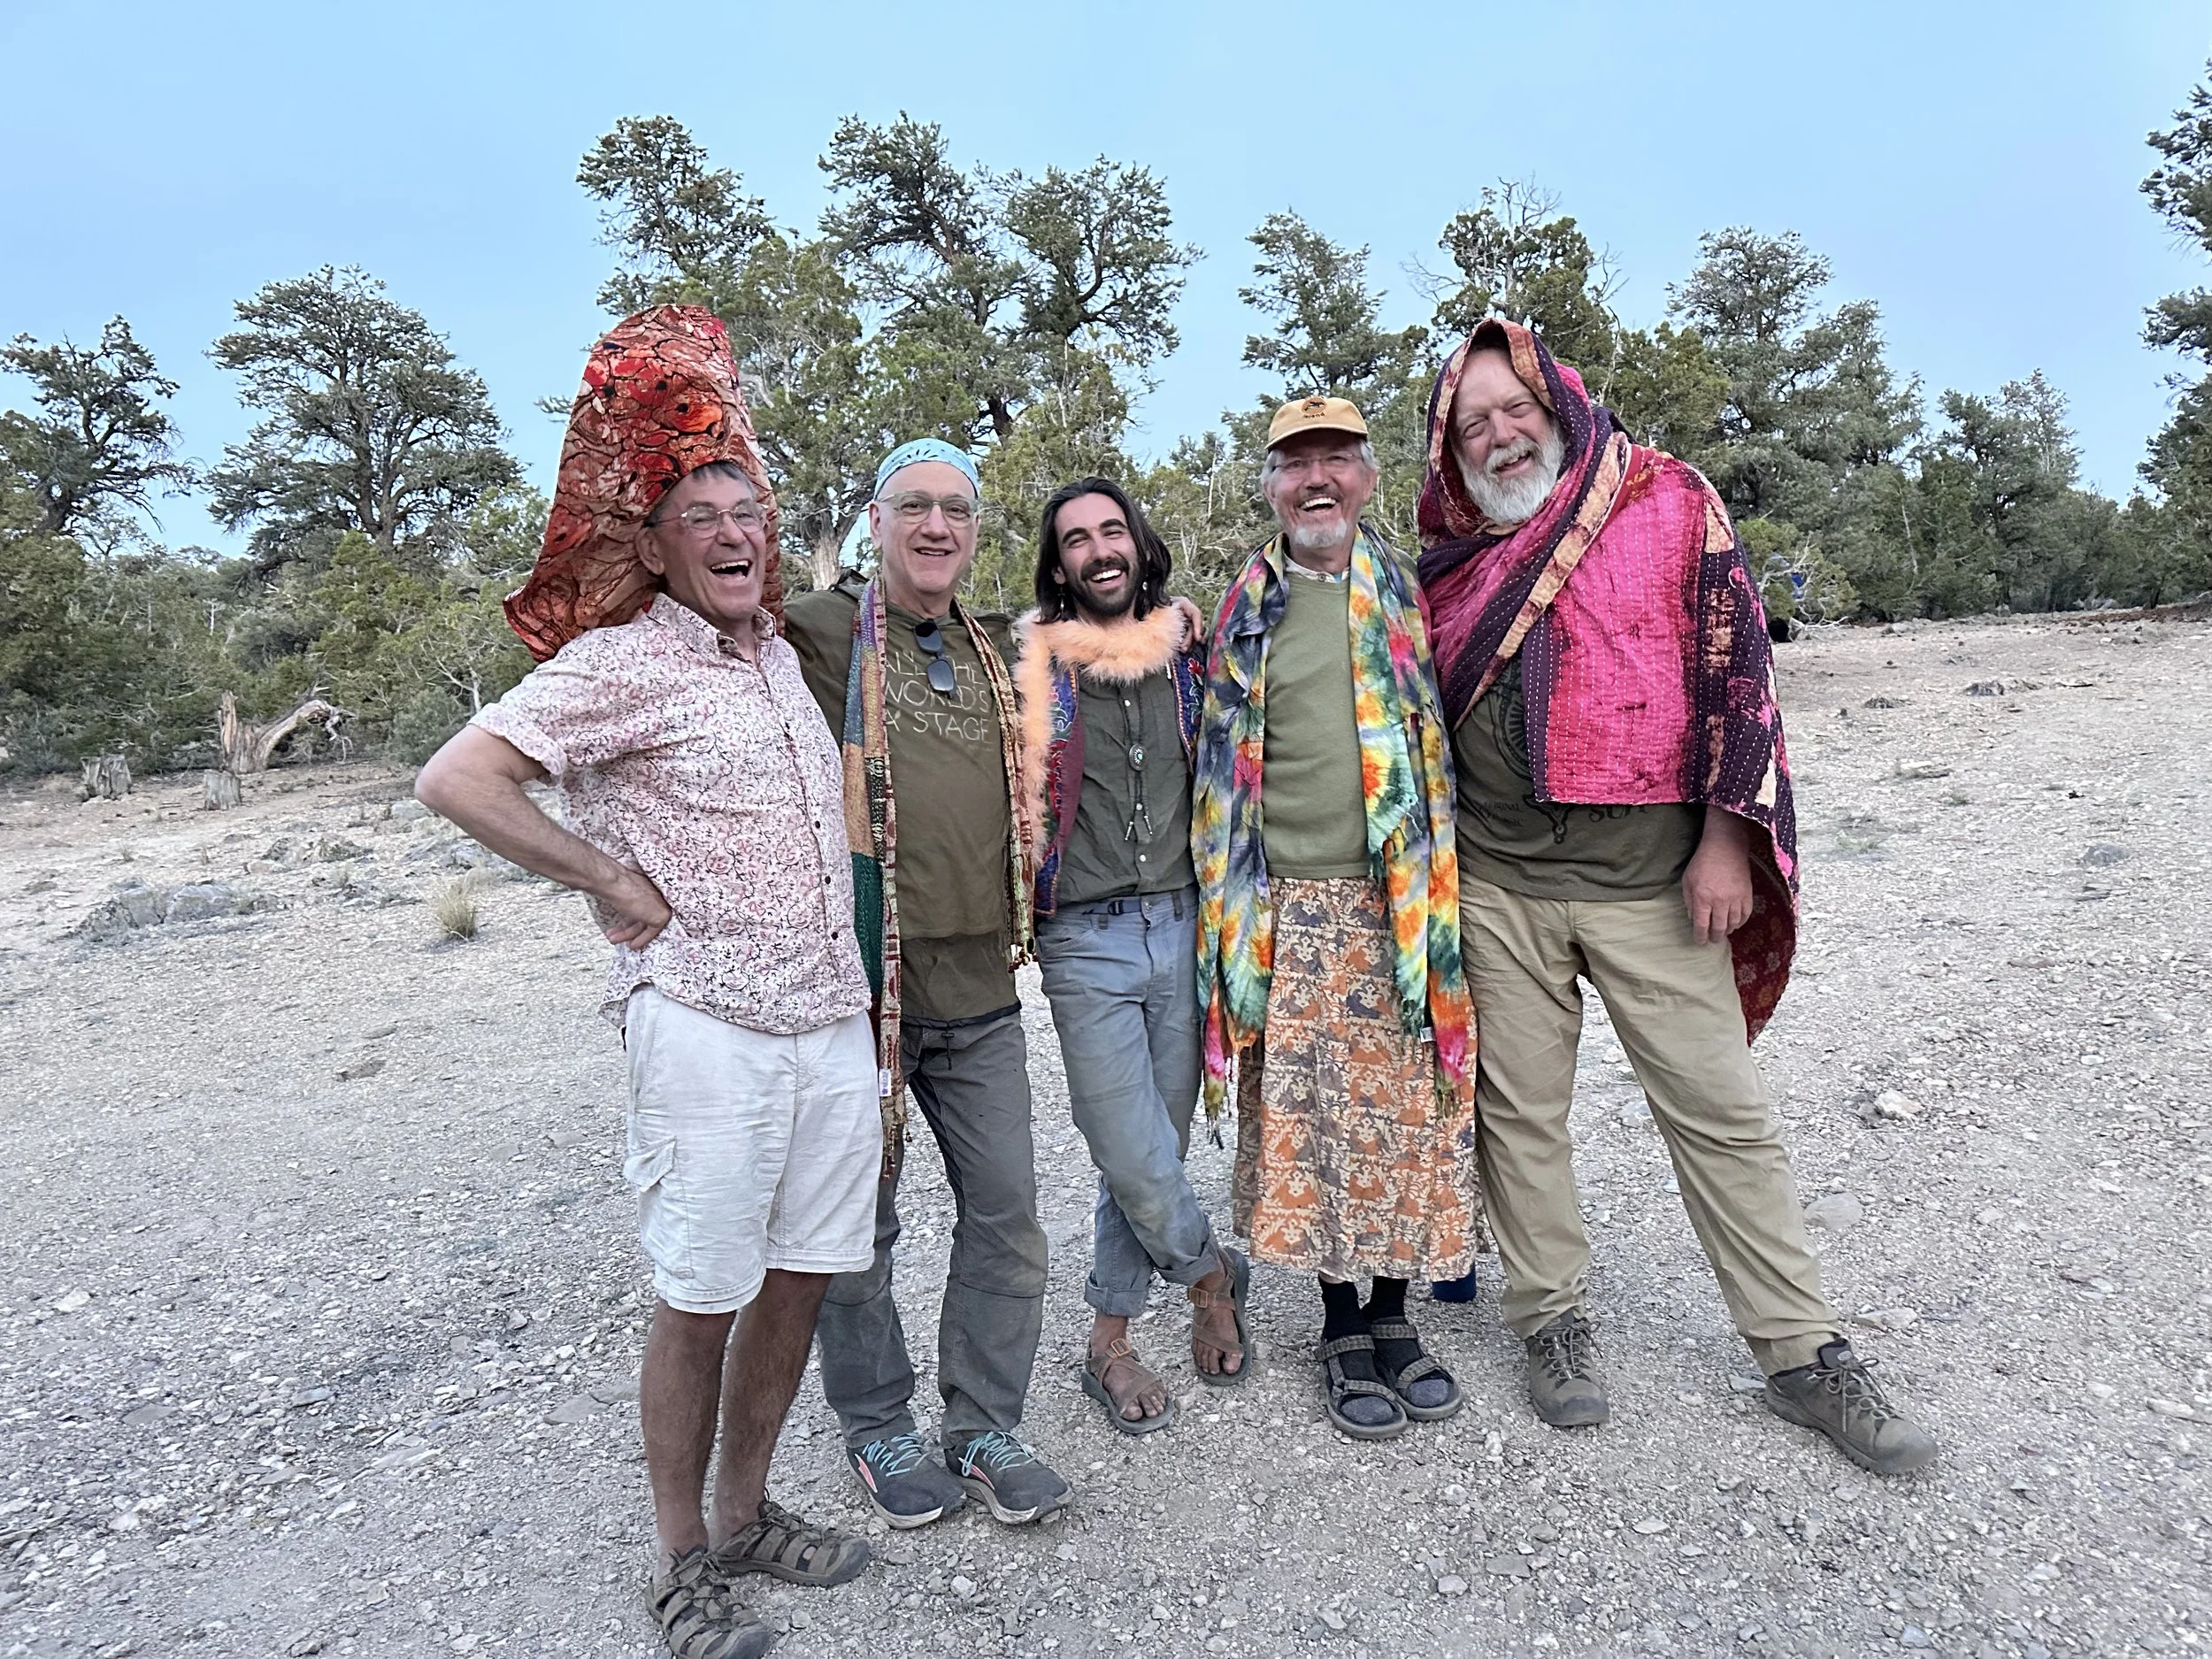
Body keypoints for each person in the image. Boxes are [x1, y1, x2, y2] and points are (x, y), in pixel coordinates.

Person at [417, 305, 876, 1659]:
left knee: (800, 1278)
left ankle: (746, 1514)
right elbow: (458, 776)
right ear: (660, 548)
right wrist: (609, 882)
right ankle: (683, 1558)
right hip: (705, 1028)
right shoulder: (617, 663)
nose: (736, 534)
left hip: (827, 1021)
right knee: (702, 1288)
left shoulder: (784, 658)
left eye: (751, 511)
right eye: (704, 517)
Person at [1415, 319, 1937, 1476]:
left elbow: (1735, 668)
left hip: (1655, 876)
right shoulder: (1443, 560)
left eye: (1517, 410)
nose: (1501, 435)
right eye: (1474, 422)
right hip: (1497, 882)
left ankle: (1801, 1348)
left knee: (1721, 1108)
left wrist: (1726, 841)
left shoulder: (1665, 499)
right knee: (1521, 1115)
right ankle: (1549, 1317)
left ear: (1559, 403)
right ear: (1449, 446)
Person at [782, 440, 1071, 1528]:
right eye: (915, 506)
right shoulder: (817, 633)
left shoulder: (990, 647)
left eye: (957, 508)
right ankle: (876, 1425)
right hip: (866, 994)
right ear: (874, 518)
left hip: (983, 988)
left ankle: (984, 1421)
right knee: (859, 1225)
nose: (938, 525)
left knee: (1006, 1213)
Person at [1193, 396, 1484, 1443]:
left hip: (1403, 907)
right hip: (1285, 911)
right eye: (1293, 465)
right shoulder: (1242, 608)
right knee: (1314, 1123)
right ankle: (1338, 1326)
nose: (1315, 482)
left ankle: (1398, 1320)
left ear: (1367, 477)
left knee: (1407, 1117)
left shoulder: (1409, 595)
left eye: (1335, 462)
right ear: (1269, 487)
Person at [1011, 476, 1250, 1434]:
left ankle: (1106, 1340)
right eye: (1077, 539)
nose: (1099, 549)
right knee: (1129, 1146)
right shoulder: (1029, 658)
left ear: (1138, 544)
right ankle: (1206, 1271)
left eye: (1113, 531)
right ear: (1059, 562)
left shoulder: (1190, 652)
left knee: (1161, 1143)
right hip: (1083, 936)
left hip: (1185, 922)